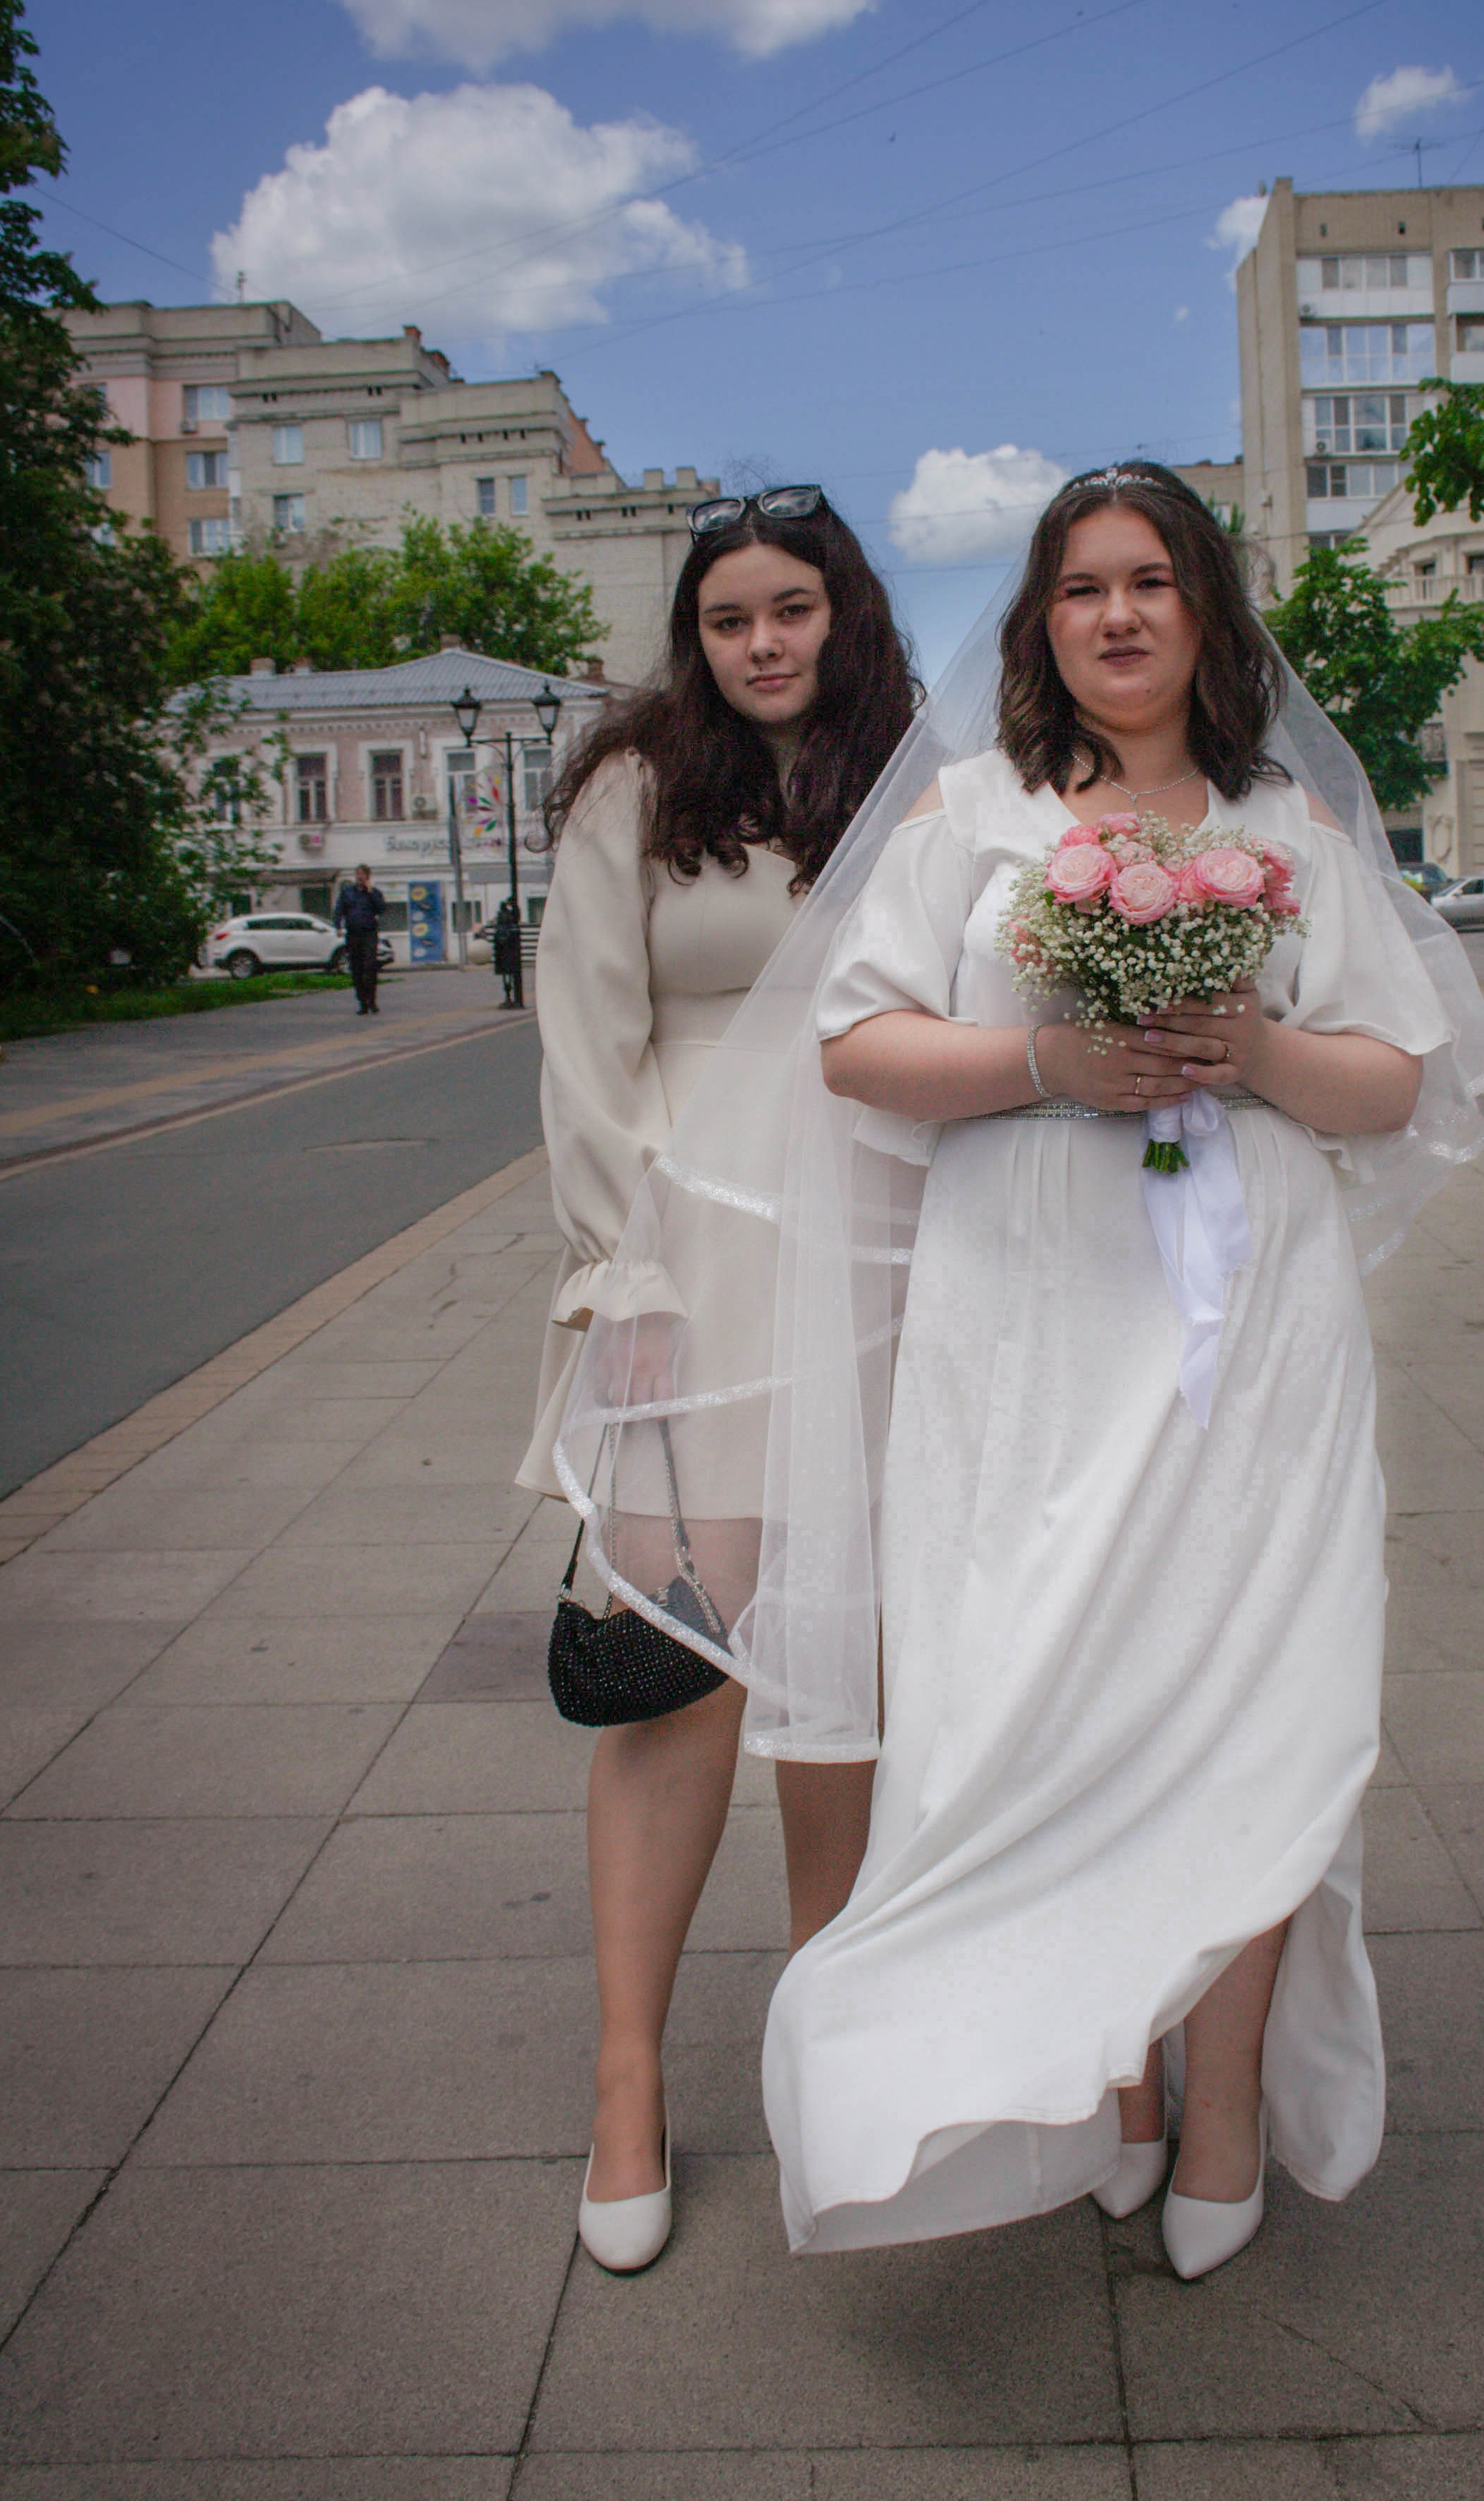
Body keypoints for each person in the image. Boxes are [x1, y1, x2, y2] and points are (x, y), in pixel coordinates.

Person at [748, 464, 1484, 2272]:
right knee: (1042, 1697)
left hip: (1246, 1325)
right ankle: (1103, 2080)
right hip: (1020, 1326)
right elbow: (854, 1042)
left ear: (1203, 612)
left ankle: (1225, 2098)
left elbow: (1391, 1078)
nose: (1115, 615)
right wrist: (1048, 1063)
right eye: (1081, 586)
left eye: (1150, 582)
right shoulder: (969, 809)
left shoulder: (1286, 822)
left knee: (1253, 1698)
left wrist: (1244, 1045)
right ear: (1039, 619)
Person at [519, 484, 921, 2276]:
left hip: (884, 1268)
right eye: (728, 617)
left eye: (792, 610)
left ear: (845, 614)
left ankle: (827, 2045)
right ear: (692, 635)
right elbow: (586, 1039)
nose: (762, 643)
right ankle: (628, 2079)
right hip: (694, 1271)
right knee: (678, 1673)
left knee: (845, 1666)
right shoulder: (636, 786)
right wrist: (624, 1271)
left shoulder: (909, 780)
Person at [331, 864, 383, 1013]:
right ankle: (362, 1002)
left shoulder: (374, 893)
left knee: (370, 966)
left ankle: (372, 1000)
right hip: (353, 934)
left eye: (363, 875)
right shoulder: (347, 892)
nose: (360, 877)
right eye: (358, 874)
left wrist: (371, 892)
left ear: (368, 877)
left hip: (369, 933)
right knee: (356, 968)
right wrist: (338, 926)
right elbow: (339, 910)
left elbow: (381, 909)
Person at [491, 894, 522, 1008]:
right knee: (510, 974)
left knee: (507, 974)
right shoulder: (511, 918)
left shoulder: (505, 918)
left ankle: (510, 997)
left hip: (505, 950)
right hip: (509, 951)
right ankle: (511, 997)